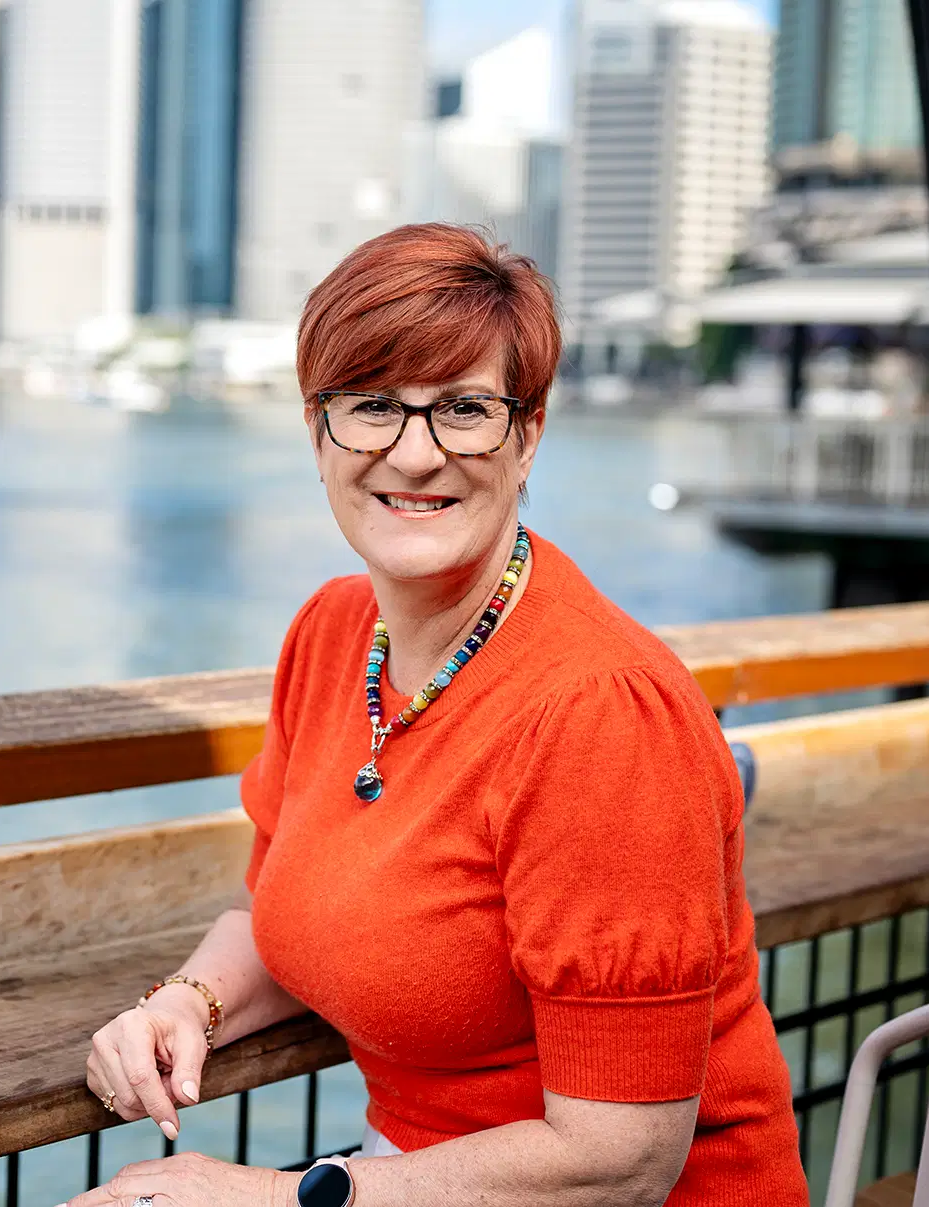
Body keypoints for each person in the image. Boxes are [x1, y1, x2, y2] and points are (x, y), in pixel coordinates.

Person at [66, 224, 809, 1207]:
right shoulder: (333, 634)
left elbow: (620, 1158)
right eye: (370, 407)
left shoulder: (598, 716)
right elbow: (286, 908)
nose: (412, 455)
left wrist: (269, 1196)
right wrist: (183, 1004)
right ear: (316, 431)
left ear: (527, 432)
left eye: (463, 408)